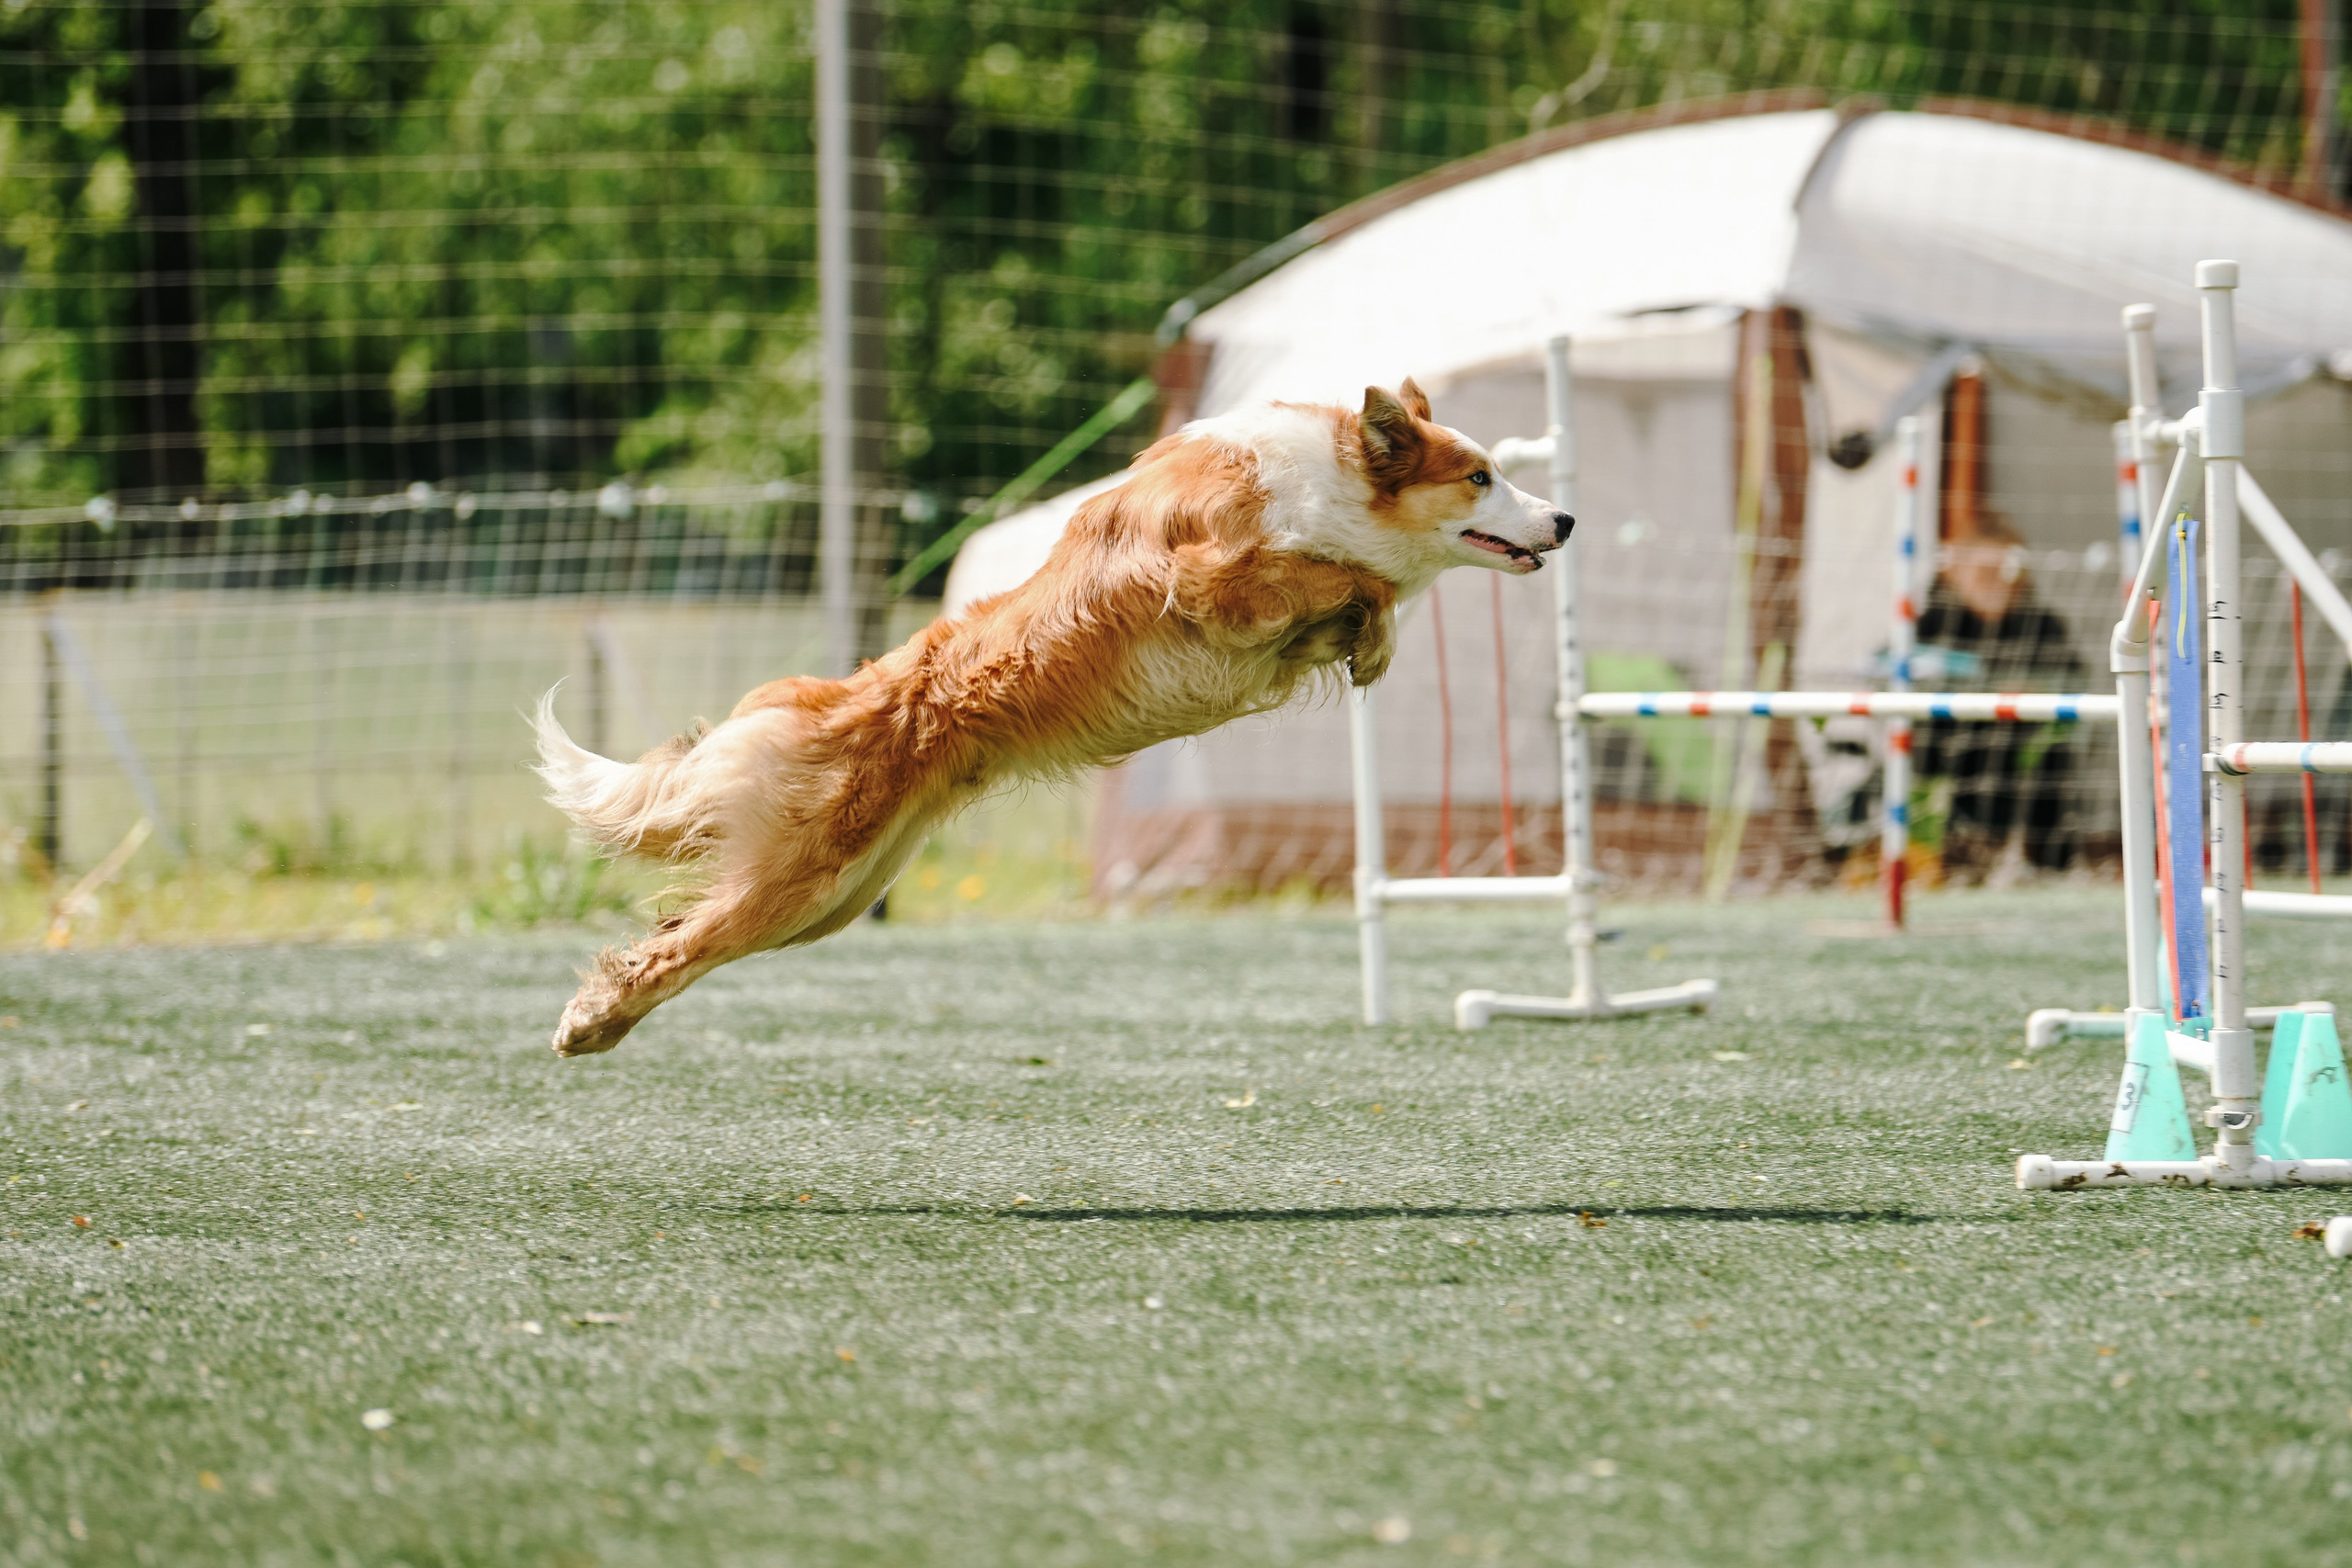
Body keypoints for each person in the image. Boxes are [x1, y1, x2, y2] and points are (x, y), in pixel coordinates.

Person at [1909, 513, 2086, 878]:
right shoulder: (1930, 624)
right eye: (1983, 572)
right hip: (1948, 742)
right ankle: (1951, 856)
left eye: (2005, 572)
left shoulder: (2043, 624)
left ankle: (2048, 866)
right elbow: (1909, 675)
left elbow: (2070, 676)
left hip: (2022, 743)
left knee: (2052, 755)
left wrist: (2033, 692)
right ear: (1955, 572)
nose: (1996, 583)